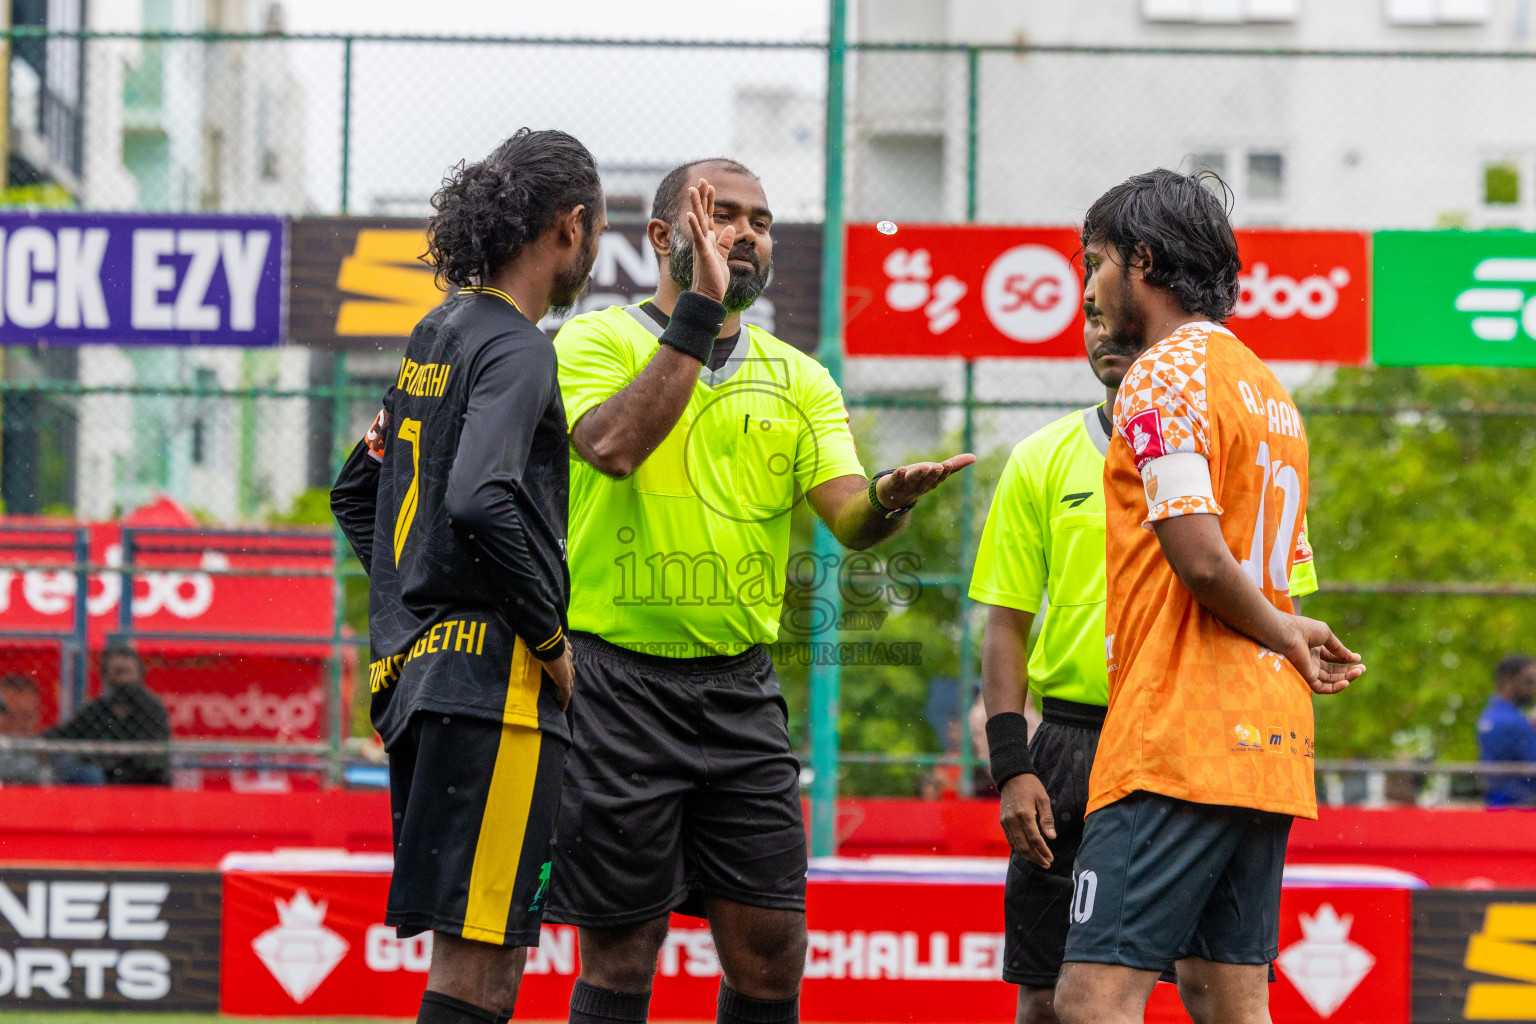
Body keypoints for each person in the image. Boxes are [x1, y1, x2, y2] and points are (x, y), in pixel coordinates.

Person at [546, 157, 974, 1024]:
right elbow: (614, 446)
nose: (746, 233)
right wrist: (699, 313)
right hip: (611, 681)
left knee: (772, 953)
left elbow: (850, 521)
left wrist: (890, 498)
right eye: (721, 215)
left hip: (739, 689)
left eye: (762, 220)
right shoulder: (591, 342)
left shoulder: (802, 377)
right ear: (665, 237)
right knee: (624, 952)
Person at [1049, 169, 1364, 1024]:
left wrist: (1287, 635)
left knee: (1089, 1000)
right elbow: (1271, 570)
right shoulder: (1270, 391)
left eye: (1096, 262)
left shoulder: (1159, 374)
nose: (1088, 286)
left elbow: (1205, 562)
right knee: (1227, 998)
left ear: (1140, 261)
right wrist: (1288, 632)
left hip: (1178, 735)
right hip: (1267, 744)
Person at [971, 287, 1319, 1024]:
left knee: (1184, 988)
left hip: (1183, 734)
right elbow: (1005, 622)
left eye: (1111, 306)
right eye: (1091, 318)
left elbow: (1271, 597)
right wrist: (1013, 764)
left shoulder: (1217, 431)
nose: (1104, 330)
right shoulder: (1041, 458)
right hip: (1074, 740)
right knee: (1045, 994)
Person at [330, 128, 603, 1024]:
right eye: (596, 231)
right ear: (570, 226)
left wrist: (412, 621)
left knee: (487, 954)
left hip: (427, 680)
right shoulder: (522, 348)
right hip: (494, 688)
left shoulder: (438, 331)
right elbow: (482, 498)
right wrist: (551, 641)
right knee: (479, 965)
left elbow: (355, 493)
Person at [46, 647, 171, 785]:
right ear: (106, 676)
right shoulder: (98, 710)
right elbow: (65, 733)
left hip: (143, 779)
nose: (124, 680)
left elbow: (152, 758)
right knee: (72, 765)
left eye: (128, 672)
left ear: (139, 675)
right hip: (104, 777)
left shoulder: (151, 708)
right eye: (118, 672)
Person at [1477, 653, 1536, 807]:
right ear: (1509, 679)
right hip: (1520, 809)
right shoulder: (1512, 722)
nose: (1533, 688)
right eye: (1529, 681)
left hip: (1498, 805)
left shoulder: (1490, 715)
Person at [0, 674, 45, 784]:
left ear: (37, 714)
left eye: (26, 716)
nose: (18, 723)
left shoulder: (49, 749)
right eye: (11, 716)